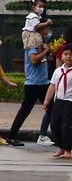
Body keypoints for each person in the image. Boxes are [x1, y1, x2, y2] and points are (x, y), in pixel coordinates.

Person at [8, 16, 54, 145]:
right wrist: (46, 52)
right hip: (33, 83)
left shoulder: (40, 42)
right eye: (47, 28)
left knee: (53, 109)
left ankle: (56, 137)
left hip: (42, 82)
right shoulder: (32, 44)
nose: (48, 32)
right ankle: (12, 135)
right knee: (25, 110)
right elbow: (33, 60)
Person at [42, 46, 72, 159]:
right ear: (62, 56)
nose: (68, 57)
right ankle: (61, 147)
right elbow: (52, 86)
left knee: (66, 126)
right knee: (54, 124)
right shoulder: (58, 71)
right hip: (58, 101)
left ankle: (68, 149)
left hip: (70, 102)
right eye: (66, 54)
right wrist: (47, 100)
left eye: (71, 54)